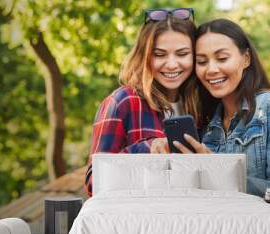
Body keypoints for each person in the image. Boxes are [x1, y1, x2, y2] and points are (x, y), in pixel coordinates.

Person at [166, 18, 270, 230]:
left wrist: (216, 170)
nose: (211, 69)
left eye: (222, 58)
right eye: (202, 61)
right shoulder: (206, 125)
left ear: (246, 59)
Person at [84, 8, 200, 196]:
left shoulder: (201, 105)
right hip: (140, 219)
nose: (171, 64)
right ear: (144, 56)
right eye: (160, 55)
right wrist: (148, 148)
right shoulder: (123, 102)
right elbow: (94, 182)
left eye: (182, 54)